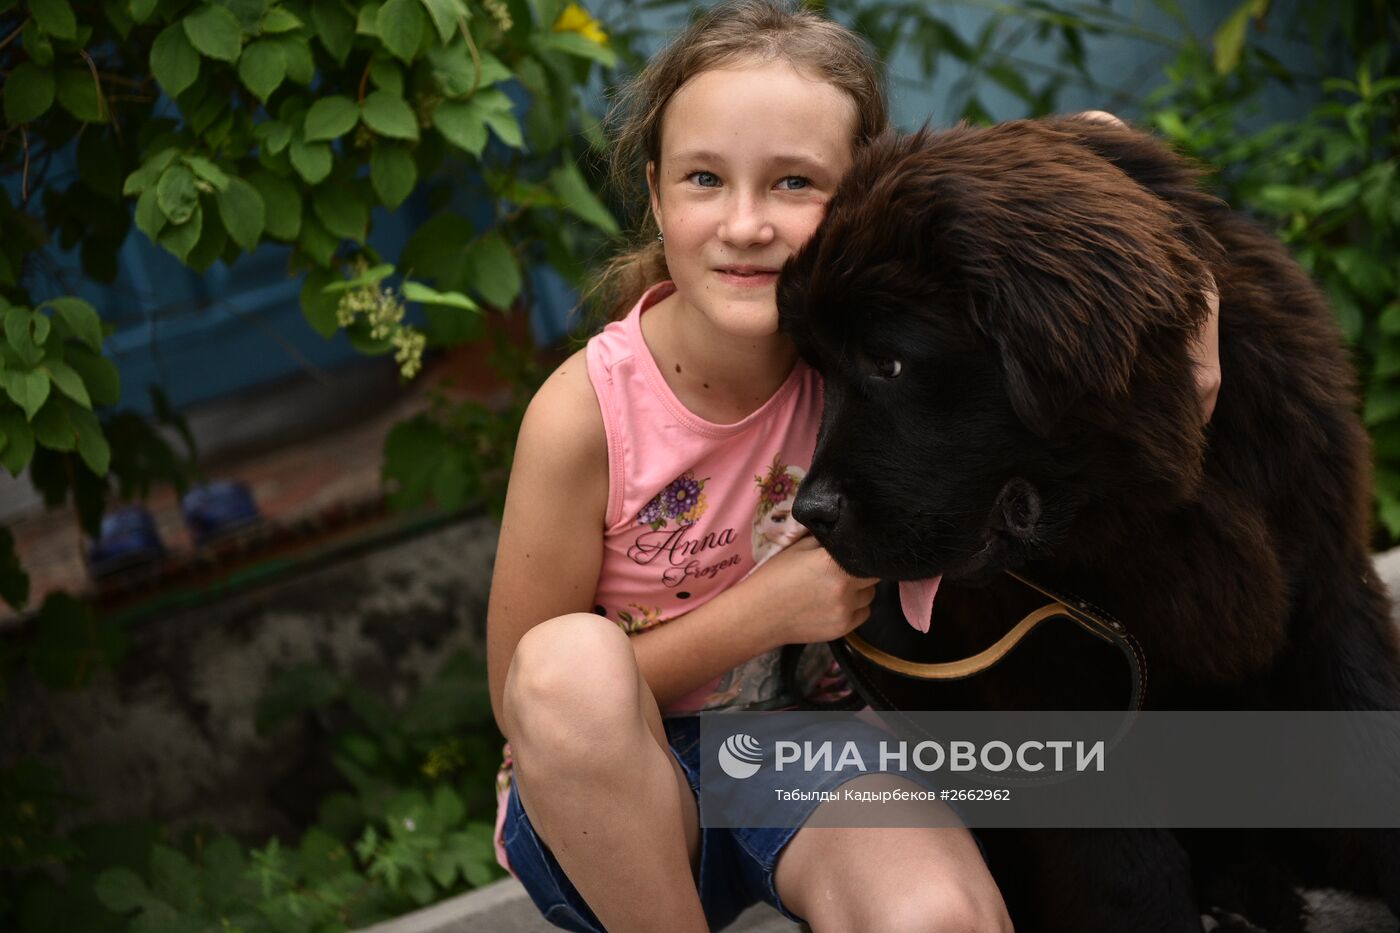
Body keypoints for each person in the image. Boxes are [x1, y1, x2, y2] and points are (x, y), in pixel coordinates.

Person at [487, 2, 1220, 930]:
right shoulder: (587, 412)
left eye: (794, 182)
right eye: (705, 178)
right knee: (563, 665)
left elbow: (1104, 150)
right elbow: (528, 699)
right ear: (656, 192)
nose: (745, 224)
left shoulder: (877, 349)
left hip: (805, 758)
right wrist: (764, 612)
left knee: (940, 919)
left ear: (874, 186)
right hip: (614, 791)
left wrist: (1203, 314)